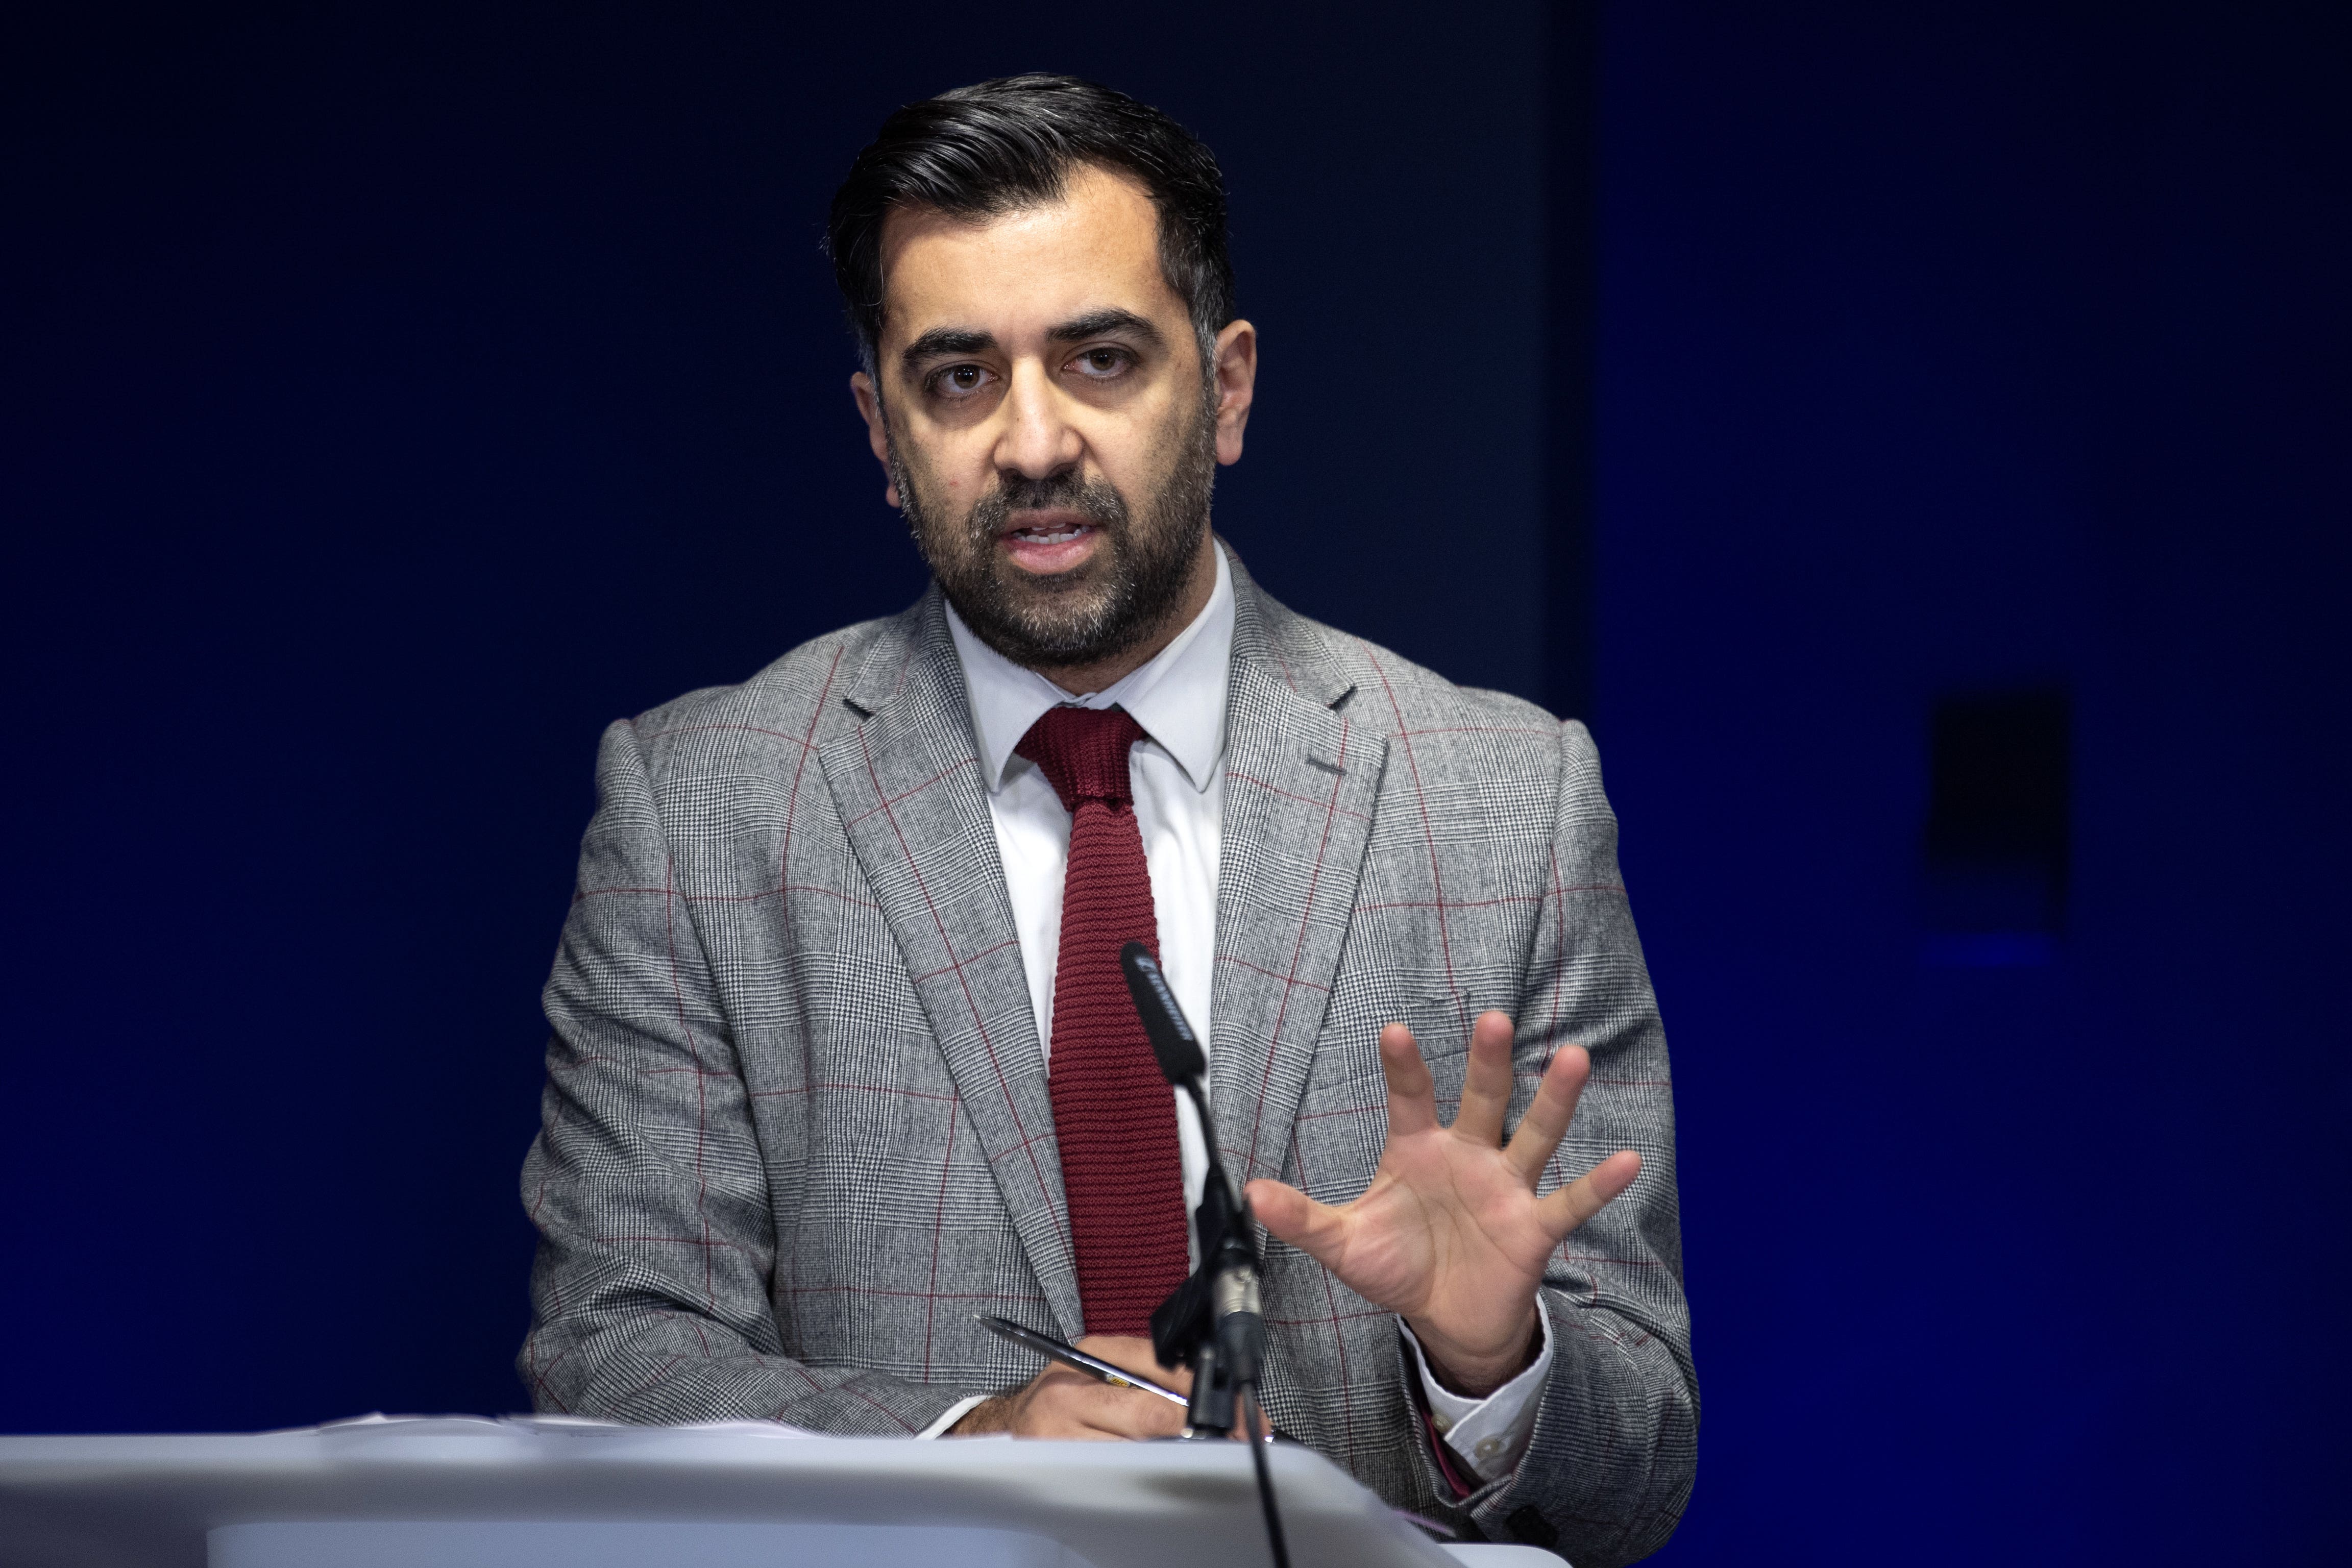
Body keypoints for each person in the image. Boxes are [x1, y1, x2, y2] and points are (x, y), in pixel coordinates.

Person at [518, 74, 1694, 1564]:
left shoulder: (1506, 801)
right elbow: (614, 1357)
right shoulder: (701, 809)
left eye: (1101, 359)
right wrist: (969, 1450)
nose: (1033, 442)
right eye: (959, 377)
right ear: (880, 431)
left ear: (1230, 388)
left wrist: (1491, 1362)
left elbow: (1640, 1472)